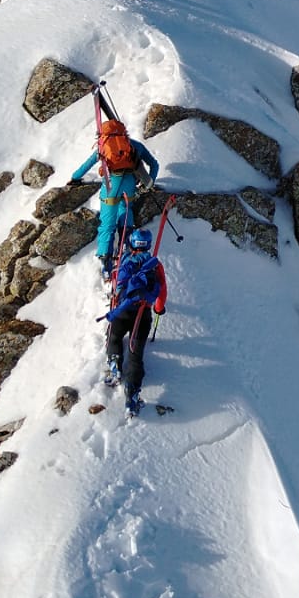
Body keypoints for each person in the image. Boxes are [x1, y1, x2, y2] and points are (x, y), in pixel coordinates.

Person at [69, 117, 160, 280]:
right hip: (130, 185)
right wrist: (149, 183)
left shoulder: (103, 147)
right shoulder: (134, 146)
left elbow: (86, 166)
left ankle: (106, 263)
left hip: (111, 187)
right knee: (126, 211)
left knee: (107, 225)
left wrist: (75, 178)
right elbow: (154, 164)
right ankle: (126, 247)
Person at [102, 227, 167, 416]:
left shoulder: (125, 259)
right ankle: (132, 394)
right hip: (142, 313)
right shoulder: (155, 265)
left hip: (123, 310)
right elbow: (162, 290)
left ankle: (114, 366)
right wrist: (158, 308)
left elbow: (117, 280)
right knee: (135, 352)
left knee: (114, 336)